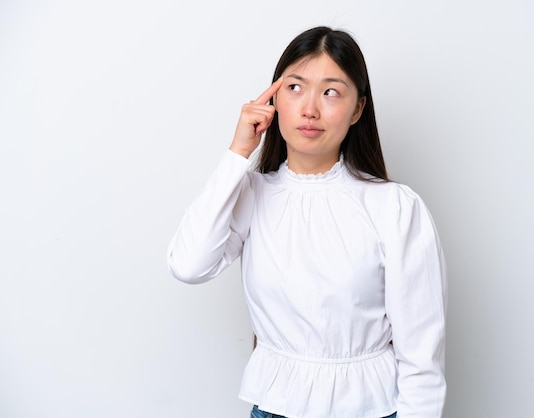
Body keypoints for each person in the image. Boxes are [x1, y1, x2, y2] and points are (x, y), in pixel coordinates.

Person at [167, 26, 447, 418]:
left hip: (373, 410)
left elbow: (421, 357)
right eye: (295, 87)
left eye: (331, 91)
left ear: (358, 109)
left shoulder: (394, 207)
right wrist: (238, 152)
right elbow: (188, 264)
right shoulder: (250, 195)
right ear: (274, 99)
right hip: (273, 410)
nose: (310, 109)